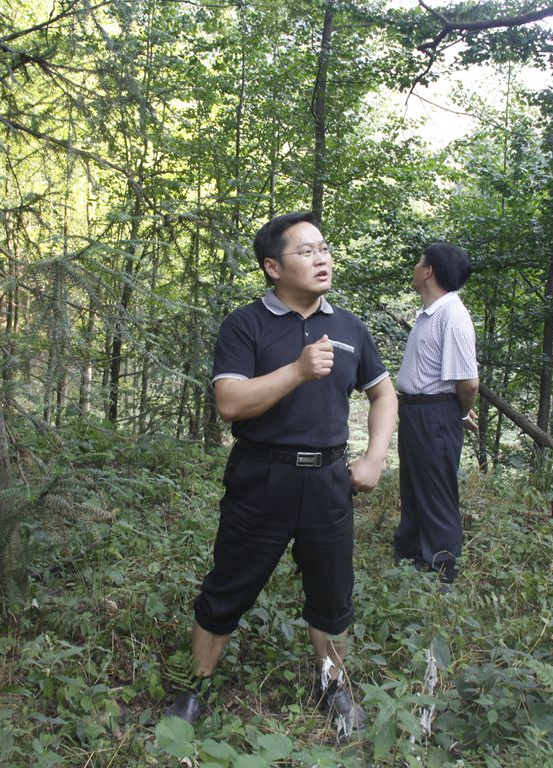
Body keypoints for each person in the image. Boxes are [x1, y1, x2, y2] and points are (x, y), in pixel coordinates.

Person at [163, 211, 397, 734]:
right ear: (273, 266)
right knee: (227, 588)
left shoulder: (349, 327)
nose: (322, 259)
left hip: (329, 481)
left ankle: (333, 687)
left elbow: (383, 393)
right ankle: (194, 690)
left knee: (332, 595)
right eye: (307, 251)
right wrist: (296, 369)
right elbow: (230, 402)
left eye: (325, 248)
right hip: (261, 477)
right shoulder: (245, 325)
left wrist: (375, 456)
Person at [393, 243, 478, 584]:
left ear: (428, 271)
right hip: (417, 413)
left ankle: (442, 570)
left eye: (419, 262)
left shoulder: (452, 315)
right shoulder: (429, 313)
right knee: (414, 486)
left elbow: (468, 383)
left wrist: (459, 413)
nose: (415, 267)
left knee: (437, 491)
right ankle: (410, 556)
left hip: (435, 415)